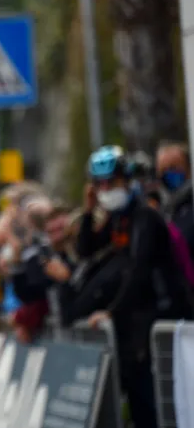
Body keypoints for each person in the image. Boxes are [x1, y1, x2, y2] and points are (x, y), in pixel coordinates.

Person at [79, 145, 194, 428]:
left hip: (163, 317)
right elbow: (86, 250)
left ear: (127, 180)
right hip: (135, 328)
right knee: (140, 405)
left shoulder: (145, 216)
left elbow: (139, 270)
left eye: (112, 182)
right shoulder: (118, 219)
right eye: (100, 184)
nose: (107, 189)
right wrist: (87, 211)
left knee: (164, 405)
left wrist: (112, 312)